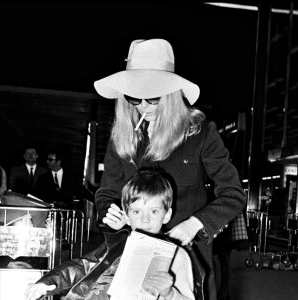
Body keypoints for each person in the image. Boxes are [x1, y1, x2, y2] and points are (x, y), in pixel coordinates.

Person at [93, 38, 247, 300]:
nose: (142, 106)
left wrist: (195, 225)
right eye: (133, 97)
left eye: (152, 98)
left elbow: (233, 193)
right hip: (135, 256)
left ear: (171, 94)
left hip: (188, 260)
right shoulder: (121, 137)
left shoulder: (201, 135)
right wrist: (111, 214)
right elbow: (106, 193)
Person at [24, 170, 196, 300]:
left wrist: (169, 293)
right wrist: (46, 282)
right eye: (136, 212)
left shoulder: (176, 256)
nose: (145, 220)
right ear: (126, 216)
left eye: (154, 211)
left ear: (166, 214)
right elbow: (81, 267)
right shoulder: (116, 245)